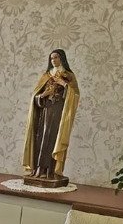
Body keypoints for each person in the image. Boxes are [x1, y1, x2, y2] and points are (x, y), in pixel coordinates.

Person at [22, 49, 80, 181]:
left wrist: (63, 84)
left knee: (52, 138)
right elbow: (35, 96)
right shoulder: (46, 75)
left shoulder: (68, 75)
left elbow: (75, 95)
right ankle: (38, 169)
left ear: (62, 59)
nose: (53, 60)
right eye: (52, 58)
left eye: (56, 57)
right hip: (44, 111)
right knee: (40, 138)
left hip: (58, 111)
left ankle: (50, 171)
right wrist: (43, 95)